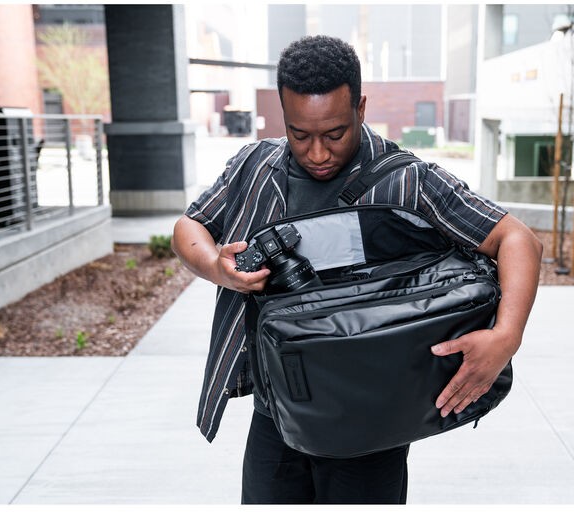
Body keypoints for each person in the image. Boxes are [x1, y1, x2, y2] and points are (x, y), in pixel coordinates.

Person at [172, 35, 543, 504]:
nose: (318, 153)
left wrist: (506, 337)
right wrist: (216, 266)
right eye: (300, 134)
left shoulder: (408, 181)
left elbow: (518, 240)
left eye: (334, 134)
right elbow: (190, 225)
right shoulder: (254, 165)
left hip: (372, 423)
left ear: (360, 107)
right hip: (276, 413)